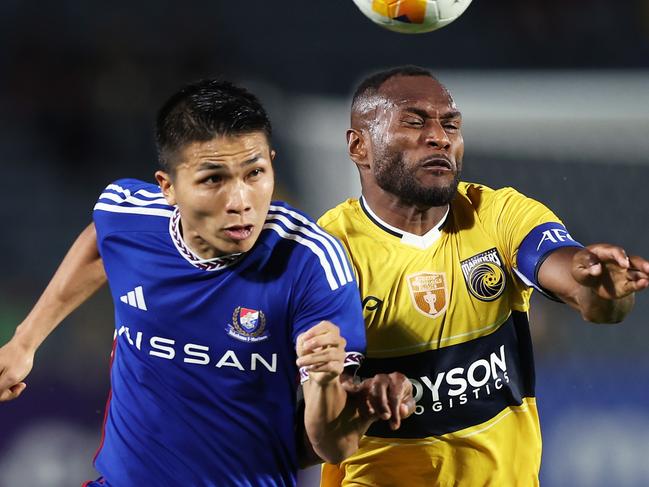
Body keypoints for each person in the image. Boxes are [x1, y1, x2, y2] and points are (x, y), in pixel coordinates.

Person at [0, 79, 414, 486]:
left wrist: (324, 381)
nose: (239, 201)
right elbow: (100, 240)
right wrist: (25, 341)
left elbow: (334, 447)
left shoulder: (310, 264)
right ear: (168, 187)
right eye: (213, 179)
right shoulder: (131, 217)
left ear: (271, 162)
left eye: (255, 173)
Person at [317, 65, 649, 486]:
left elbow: (585, 290)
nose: (440, 136)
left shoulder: (499, 214)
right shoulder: (326, 253)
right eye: (415, 122)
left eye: (451, 124)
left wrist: (601, 288)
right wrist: (358, 399)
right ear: (359, 146)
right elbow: (315, 411)